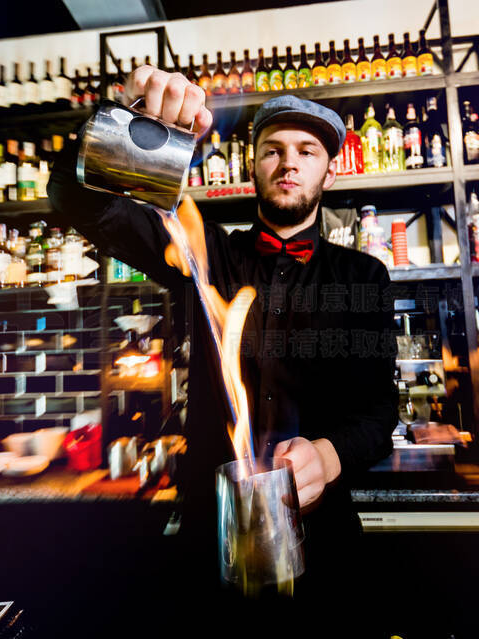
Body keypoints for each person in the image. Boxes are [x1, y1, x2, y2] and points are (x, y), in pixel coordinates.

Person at [47, 65, 394, 632]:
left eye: (307, 151)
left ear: (329, 172)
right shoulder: (202, 253)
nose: (289, 162)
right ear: (252, 165)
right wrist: (124, 121)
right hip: (210, 544)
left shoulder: (364, 276)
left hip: (325, 543)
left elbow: (380, 413)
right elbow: (76, 197)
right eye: (273, 149)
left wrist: (328, 456)